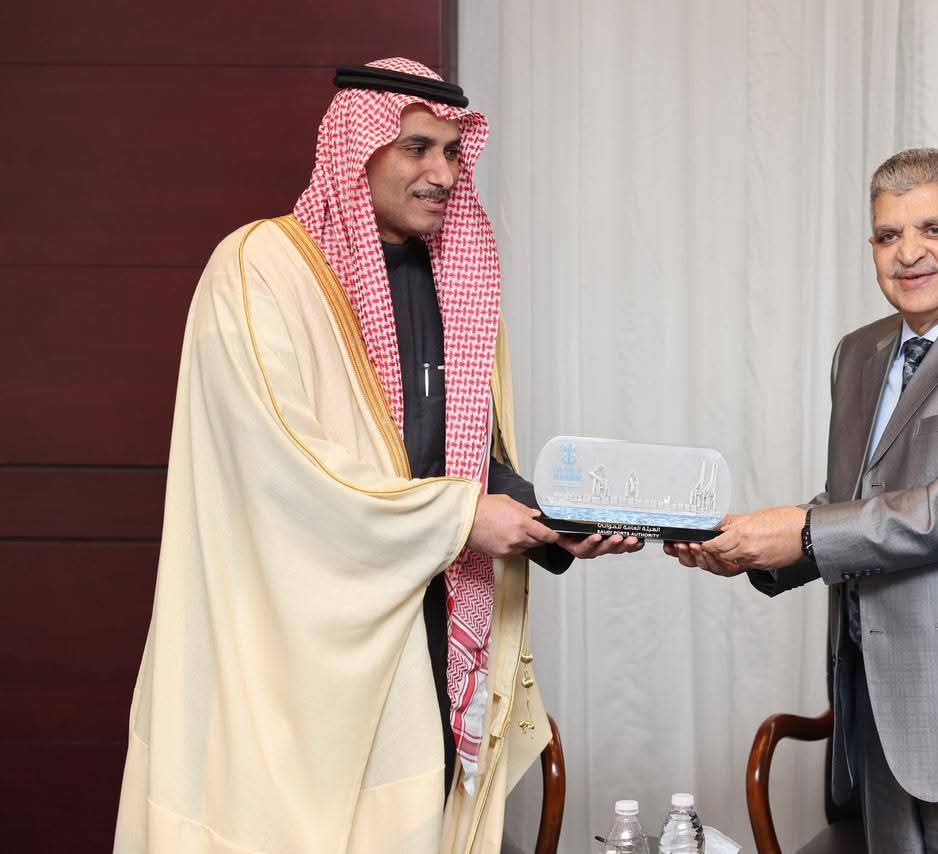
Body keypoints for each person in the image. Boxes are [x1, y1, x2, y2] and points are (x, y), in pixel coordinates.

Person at [114, 58, 640, 854]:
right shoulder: (259, 270)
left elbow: (461, 460)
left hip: (428, 623)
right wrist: (464, 516)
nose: (444, 174)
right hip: (289, 649)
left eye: (453, 152)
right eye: (416, 148)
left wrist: (556, 522)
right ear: (355, 151)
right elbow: (282, 473)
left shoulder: (450, 281)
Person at [668, 148, 938, 853]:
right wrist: (751, 547)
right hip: (882, 720)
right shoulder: (860, 352)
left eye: (935, 229)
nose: (909, 253)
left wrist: (804, 533)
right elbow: (854, 501)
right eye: (888, 235)